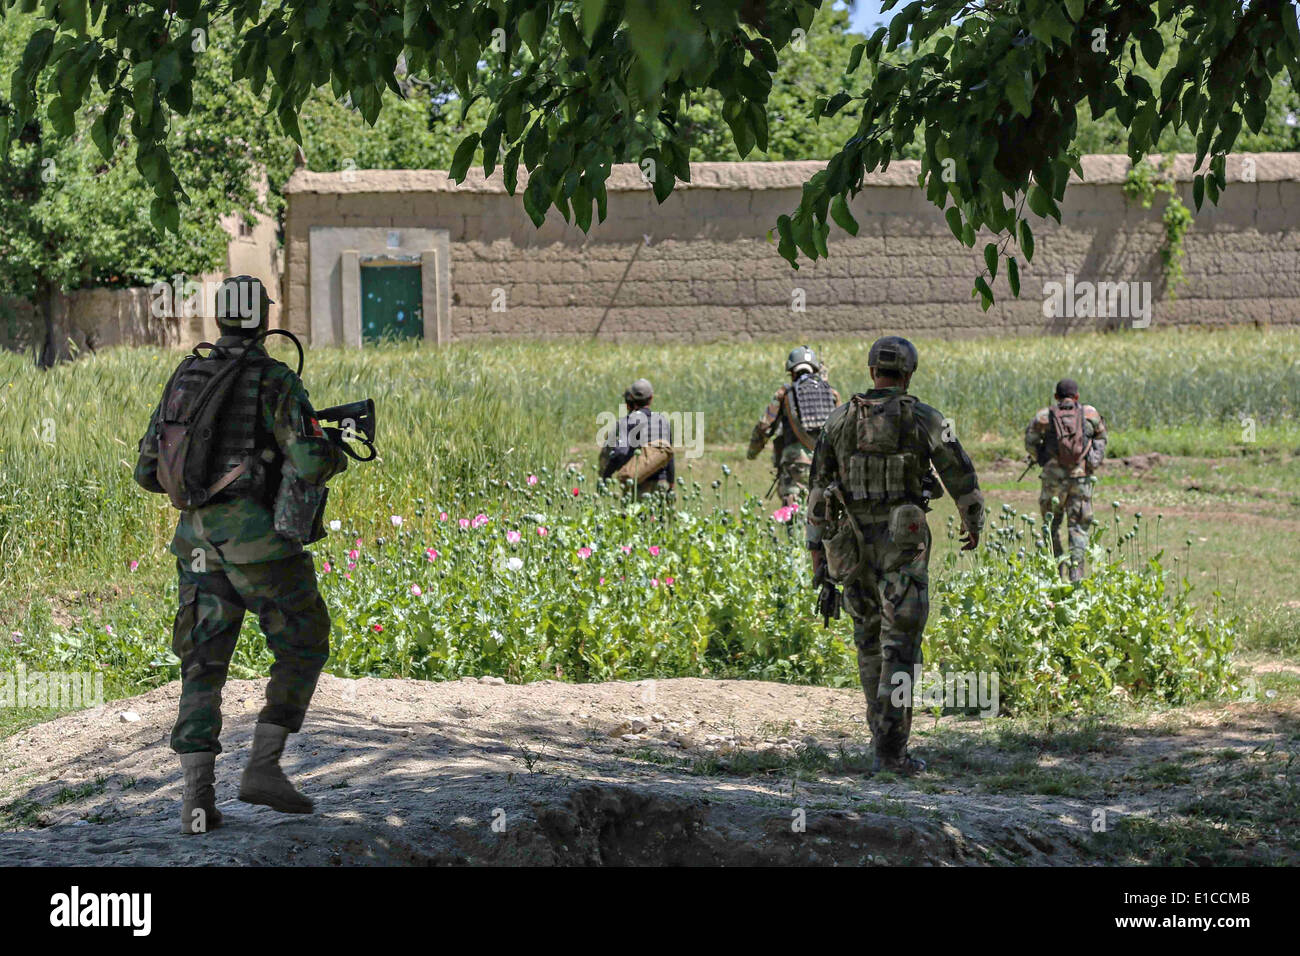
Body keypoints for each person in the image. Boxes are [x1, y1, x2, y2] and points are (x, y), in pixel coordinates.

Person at [134, 275, 348, 834]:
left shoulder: (186, 377)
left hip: (197, 547)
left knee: (202, 664)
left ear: (221, 318)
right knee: (303, 641)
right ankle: (263, 767)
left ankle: (196, 802)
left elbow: (146, 472)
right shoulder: (275, 379)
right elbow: (309, 463)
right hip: (259, 547)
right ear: (261, 320)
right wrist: (333, 449)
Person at [805, 336, 984, 774]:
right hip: (902, 549)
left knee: (868, 640)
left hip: (850, 548)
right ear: (909, 374)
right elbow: (959, 469)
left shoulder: (838, 420)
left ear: (871, 372)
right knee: (901, 648)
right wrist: (972, 519)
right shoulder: (925, 417)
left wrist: (817, 555)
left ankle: (881, 742)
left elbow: (815, 491)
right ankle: (892, 752)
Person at [1024, 378, 1108, 582]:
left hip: (1053, 480)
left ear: (1056, 397)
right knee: (1078, 527)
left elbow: (1030, 442)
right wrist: (1092, 462)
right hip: (1080, 480)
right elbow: (1102, 438)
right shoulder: (1090, 414)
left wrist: (1042, 458)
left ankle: (1055, 569)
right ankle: (1076, 574)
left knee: (1051, 525)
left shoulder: (1044, 416)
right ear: (1076, 396)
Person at [747, 346, 841, 508]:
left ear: (792, 372)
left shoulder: (784, 394)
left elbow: (764, 427)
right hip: (826, 463)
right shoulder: (832, 394)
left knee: (794, 515)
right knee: (824, 512)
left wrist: (752, 453)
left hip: (795, 465)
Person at [598, 378, 675, 497]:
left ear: (632, 399)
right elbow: (669, 455)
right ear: (651, 398)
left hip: (637, 485)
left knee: (634, 515)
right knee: (659, 515)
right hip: (661, 482)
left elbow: (620, 452)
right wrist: (671, 482)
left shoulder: (626, 422)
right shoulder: (663, 421)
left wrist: (606, 476)